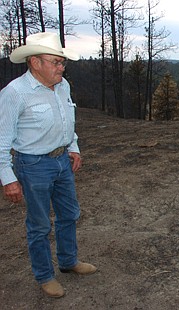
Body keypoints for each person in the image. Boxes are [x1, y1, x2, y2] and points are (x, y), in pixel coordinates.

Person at [0, 32, 97, 298]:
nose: (61, 67)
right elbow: (1, 140)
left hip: (62, 161)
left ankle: (68, 261)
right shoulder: (15, 93)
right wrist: (8, 178)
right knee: (40, 224)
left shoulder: (63, 85)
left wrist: (73, 147)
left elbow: (67, 121)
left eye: (61, 62)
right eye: (55, 62)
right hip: (33, 165)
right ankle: (44, 275)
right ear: (34, 62)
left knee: (69, 214)